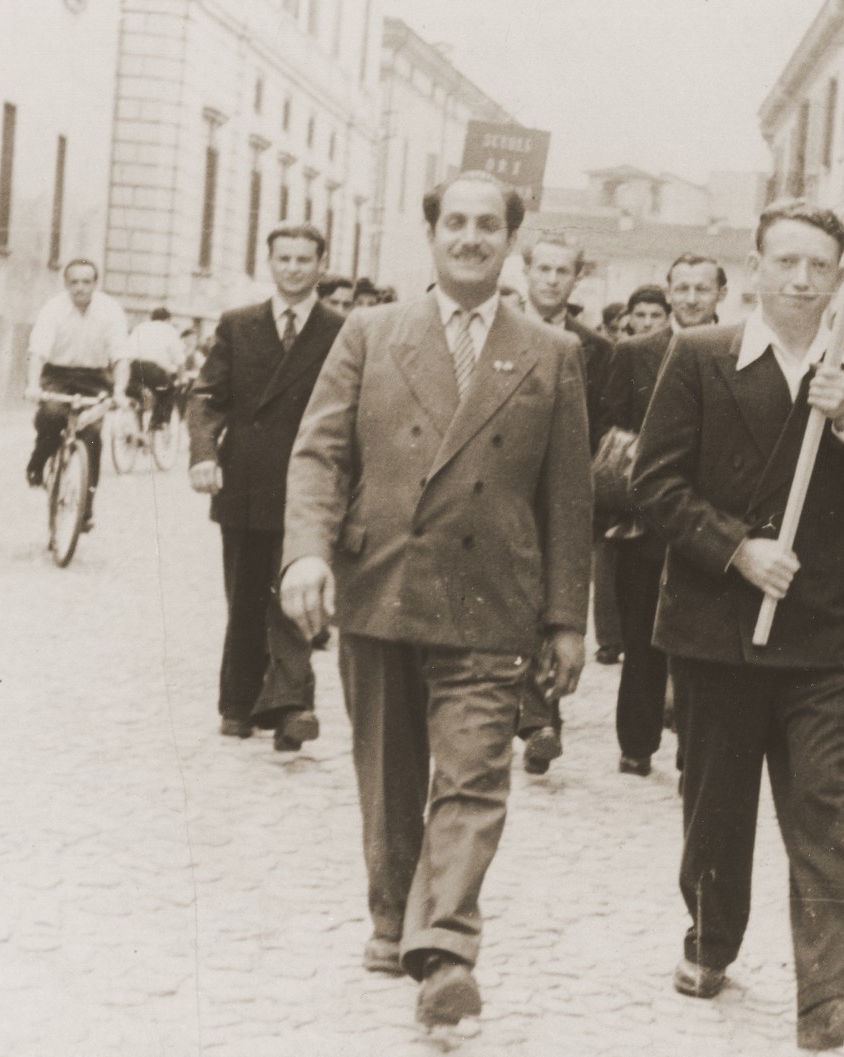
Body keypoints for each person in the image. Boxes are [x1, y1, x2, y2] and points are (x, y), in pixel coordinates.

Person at [279, 170, 591, 1029]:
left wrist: (568, 618)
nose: (470, 237)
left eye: (488, 224)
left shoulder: (551, 353)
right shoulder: (370, 335)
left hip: (494, 600)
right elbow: (319, 456)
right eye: (455, 221)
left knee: (475, 774)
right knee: (389, 771)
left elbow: (569, 497)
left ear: (510, 240)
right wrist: (305, 553)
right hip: (382, 582)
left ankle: (446, 946)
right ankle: (393, 916)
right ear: (432, 234)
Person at [631, 199, 844, 1052]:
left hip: (829, 633)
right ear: (755, 267)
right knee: (716, 808)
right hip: (720, 625)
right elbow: (653, 483)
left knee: (823, 804)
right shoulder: (699, 355)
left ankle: (833, 993)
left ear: (839, 278)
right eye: (785, 262)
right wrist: (737, 549)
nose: (801, 280)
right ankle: (711, 936)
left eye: (819, 267)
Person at [188, 222, 343, 750]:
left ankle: (292, 706)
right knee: (246, 593)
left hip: (309, 484)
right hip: (246, 481)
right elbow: (207, 398)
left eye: (305, 259)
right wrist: (204, 454)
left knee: (296, 594)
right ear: (270, 263)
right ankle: (238, 702)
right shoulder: (239, 324)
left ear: (322, 265)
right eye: (285, 259)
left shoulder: (342, 330)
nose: (294, 268)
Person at [593, 252, 729, 778]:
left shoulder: (738, 347)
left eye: (703, 288)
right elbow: (609, 424)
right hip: (646, 519)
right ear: (668, 294)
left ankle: (693, 749)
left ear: (721, 293)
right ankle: (636, 743)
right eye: (683, 288)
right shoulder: (634, 353)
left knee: (701, 645)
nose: (692, 298)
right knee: (642, 635)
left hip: (712, 520)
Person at [520, 230, 616, 768]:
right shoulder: (496, 333)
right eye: (543, 269)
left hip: (562, 493)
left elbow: (603, 424)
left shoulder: (596, 349)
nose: (552, 280)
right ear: (526, 272)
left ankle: (542, 719)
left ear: (576, 280)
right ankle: (530, 716)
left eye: (563, 271)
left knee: (554, 604)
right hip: (503, 487)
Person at [23, 259, 130, 532]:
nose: (80, 287)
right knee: (51, 415)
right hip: (57, 374)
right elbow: (38, 351)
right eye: (74, 282)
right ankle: (37, 463)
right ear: (66, 284)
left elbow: (120, 356)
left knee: (92, 437)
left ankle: (85, 511)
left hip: (95, 378)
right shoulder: (53, 309)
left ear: (95, 283)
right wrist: (33, 385)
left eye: (86, 281)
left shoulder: (111, 311)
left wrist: (118, 390)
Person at [124, 307, 183, 431]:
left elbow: (127, 350)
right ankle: (159, 423)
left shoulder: (140, 327)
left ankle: (138, 424)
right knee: (169, 390)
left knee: (136, 392)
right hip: (154, 370)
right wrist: (181, 379)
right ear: (168, 319)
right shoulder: (170, 329)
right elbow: (179, 359)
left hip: (133, 366)